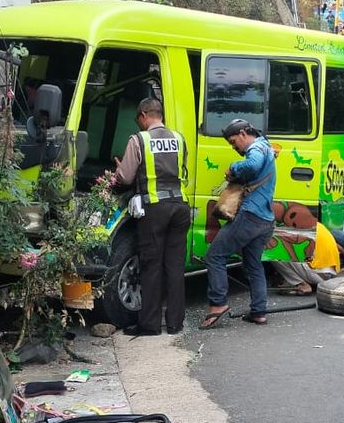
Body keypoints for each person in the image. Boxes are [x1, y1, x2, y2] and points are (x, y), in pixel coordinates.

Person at [112, 97, 191, 336]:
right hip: (180, 206)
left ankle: (150, 324)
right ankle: (175, 323)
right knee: (175, 267)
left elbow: (125, 177)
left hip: (155, 208)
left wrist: (118, 168)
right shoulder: (179, 139)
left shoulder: (139, 140)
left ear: (144, 115)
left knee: (151, 266)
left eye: (139, 119)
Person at [201, 119, 277, 329]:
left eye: (235, 142)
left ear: (244, 133)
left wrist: (233, 168)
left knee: (214, 256)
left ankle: (218, 304)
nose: (235, 148)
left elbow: (252, 165)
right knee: (253, 265)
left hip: (250, 216)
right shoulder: (267, 146)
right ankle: (259, 312)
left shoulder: (256, 148)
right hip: (265, 220)